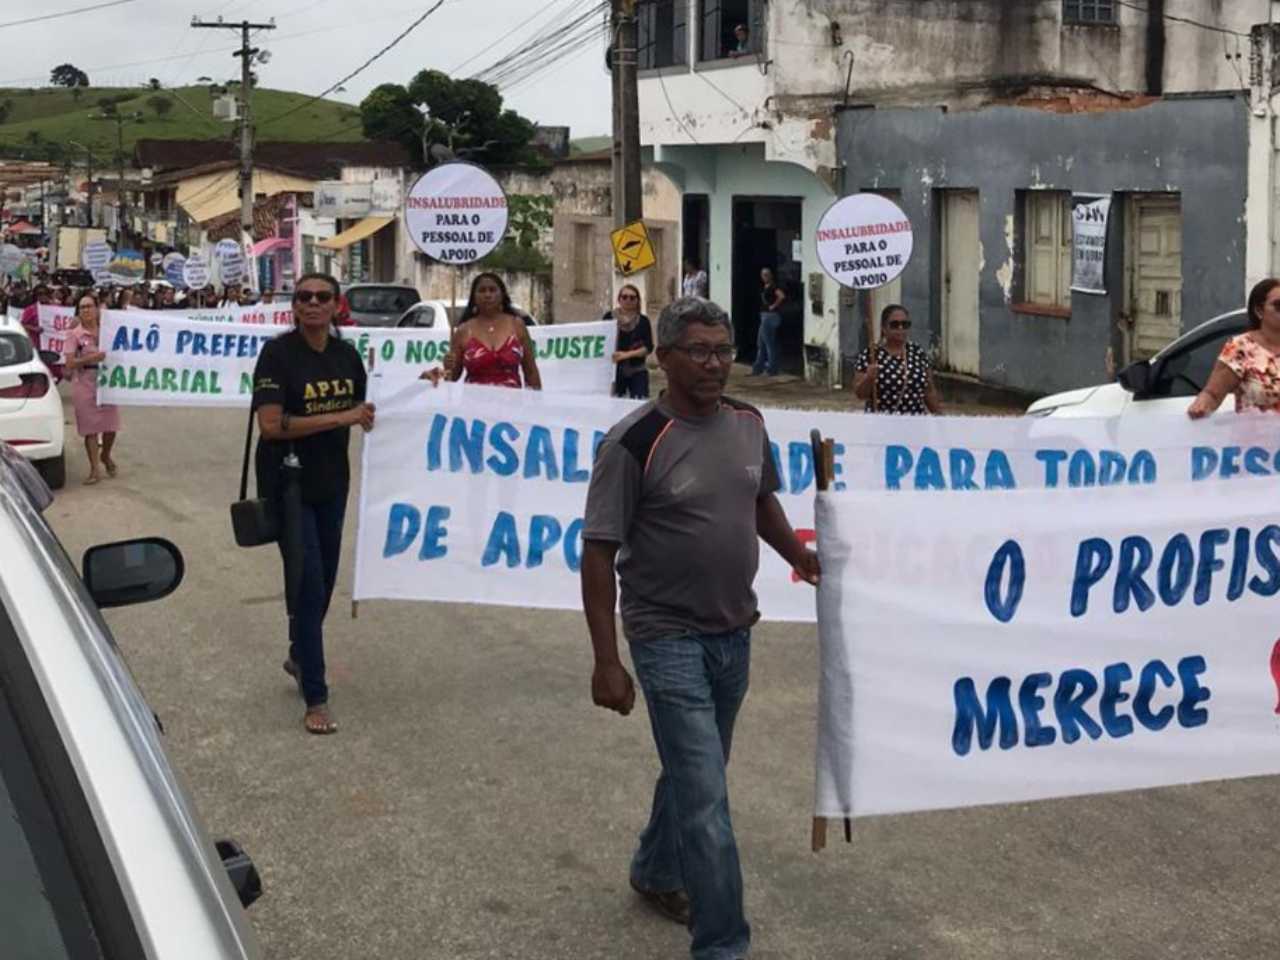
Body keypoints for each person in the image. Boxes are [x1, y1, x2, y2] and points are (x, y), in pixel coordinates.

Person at [581, 296, 820, 960]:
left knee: (698, 771)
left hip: (734, 632)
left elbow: (760, 498)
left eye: (724, 350)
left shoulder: (748, 422)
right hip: (666, 638)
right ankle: (722, 946)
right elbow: (598, 553)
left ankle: (657, 870)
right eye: (700, 352)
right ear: (664, 359)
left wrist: (797, 554)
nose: (716, 364)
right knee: (709, 808)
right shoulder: (633, 442)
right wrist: (608, 660)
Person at [251, 272, 374, 735]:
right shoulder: (278, 355)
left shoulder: (346, 355)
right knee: (305, 584)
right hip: (289, 485)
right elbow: (271, 425)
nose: (313, 304)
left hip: (332, 483)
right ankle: (316, 696)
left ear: (336, 306)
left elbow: (370, 407)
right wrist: (341, 416)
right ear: (294, 307)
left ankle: (300, 653)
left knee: (323, 585)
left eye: (323, 297)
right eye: (304, 297)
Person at [422, 273, 542, 389]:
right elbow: (452, 377)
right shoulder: (463, 330)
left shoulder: (517, 325)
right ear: (474, 297)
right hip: (474, 407)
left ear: (502, 295)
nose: (487, 295)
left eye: (492, 290)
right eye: (482, 290)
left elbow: (531, 372)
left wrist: (537, 403)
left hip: (513, 407)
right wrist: (447, 367)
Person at [1189, 278, 1280, 418]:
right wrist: (1202, 404)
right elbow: (1212, 394)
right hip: (1255, 437)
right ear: (1259, 311)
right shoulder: (1241, 347)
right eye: (1279, 305)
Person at [62, 292, 121, 485]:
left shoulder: (108, 330)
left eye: (89, 306)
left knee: (111, 426)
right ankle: (95, 469)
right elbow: (70, 363)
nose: (86, 310)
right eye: (82, 307)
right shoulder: (74, 334)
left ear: (97, 309)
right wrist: (91, 358)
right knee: (90, 429)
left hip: (106, 381)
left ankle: (105, 455)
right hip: (84, 382)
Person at [852, 304, 942, 414]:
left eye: (905, 324)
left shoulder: (917, 352)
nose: (900, 328)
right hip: (882, 423)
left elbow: (929, 391)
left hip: (915, 423)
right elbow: (860, 394)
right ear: (884, 328)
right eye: (894, 324)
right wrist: (869, 378)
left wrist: (941, 420)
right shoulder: (871, 355)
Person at [605, 284, 654, 399]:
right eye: (625, 297)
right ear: (619, 299)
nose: (628, 300)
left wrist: (626, 355)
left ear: (637, 300)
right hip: (614, 371)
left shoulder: (643, 321)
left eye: (632, 298)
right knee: (614, 405)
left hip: (637, 370)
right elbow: (602, 340)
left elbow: (648, 347)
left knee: (639, 406)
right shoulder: (609, 318)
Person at [749, 267, 786, 377]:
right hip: (764, 316)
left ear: (771, 275)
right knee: (761, 343)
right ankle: (758, 368)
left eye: (767, 274)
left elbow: (782, 296)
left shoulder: (774, 286)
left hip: (771, 316)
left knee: (769, 343)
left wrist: (773, 306)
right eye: (763, 275)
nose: (765, 277)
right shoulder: (765, 287)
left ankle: (772, 368)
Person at [20, 283, 50, 349]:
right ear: (35, 296)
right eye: (40, 294)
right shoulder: (30, 309)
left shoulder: (54, 308)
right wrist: (34, 329)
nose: (43, 296)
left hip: (50, 345)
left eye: (46, 293)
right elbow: (22, 324)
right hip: (34, 344)